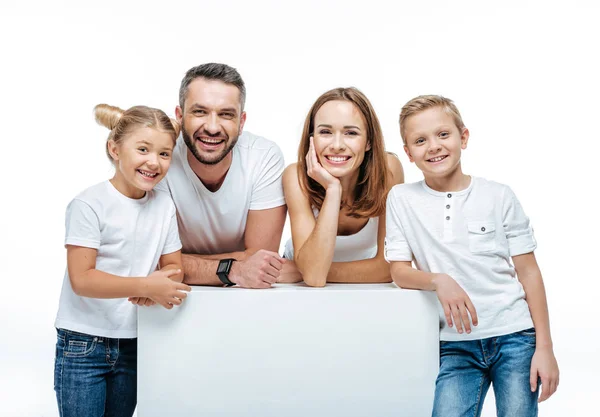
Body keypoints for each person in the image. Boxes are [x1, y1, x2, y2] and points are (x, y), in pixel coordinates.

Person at [385, 95, 559, 416]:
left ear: (463, 137)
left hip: (515, 337)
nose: (434, 146)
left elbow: (529, 272)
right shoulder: (402, 199)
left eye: (443, 134)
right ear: (409, 154)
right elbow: (398, 271)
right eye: (420, 140)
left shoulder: (498, 195)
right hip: (454, 344)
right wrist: (439, 280)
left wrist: (544, 348)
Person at [53, 104, 192, 417]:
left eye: (164, 153)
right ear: (114, 148)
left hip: (134, 341)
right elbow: (82, 279)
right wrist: (146, 284)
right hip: (82, 344)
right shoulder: (89, 204)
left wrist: (157, 286)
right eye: (143, 149)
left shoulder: (164, 205)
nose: (153, 162)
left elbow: (174, 268)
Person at [157, 63, 298, 288]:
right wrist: (234, 269)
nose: (212, 127)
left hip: (243, 301)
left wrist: (180, 262)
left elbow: (261, 261)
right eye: (200, 112)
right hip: (172, 299)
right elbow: (151, 261)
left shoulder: (263, 157)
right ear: (180, 116)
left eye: (225, 114)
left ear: (241, 122)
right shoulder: (160, 159)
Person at [283, 87, 404, 287]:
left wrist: (302, 269)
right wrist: (333, 190)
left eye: (351, 133)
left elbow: (387, 268)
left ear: (368, 142)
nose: (337, 145)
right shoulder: (296, 176)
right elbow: (314, 278)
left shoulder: (388, 170)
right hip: (298, 291)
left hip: (365, 291)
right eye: (325, 132)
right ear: (311, 138)